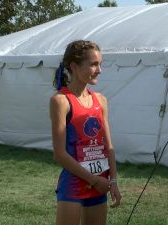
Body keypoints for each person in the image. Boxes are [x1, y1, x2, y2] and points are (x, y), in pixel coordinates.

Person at [49, 40, 121, 225]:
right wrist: (95, 180)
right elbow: (59, 155)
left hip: (100, 186)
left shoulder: (101, 100)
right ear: (74, 66)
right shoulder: (61, 101)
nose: (99, 70)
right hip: (74, 186)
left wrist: (112, 181)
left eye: (100, 64)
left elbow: (109, 146)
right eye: (93, 64)